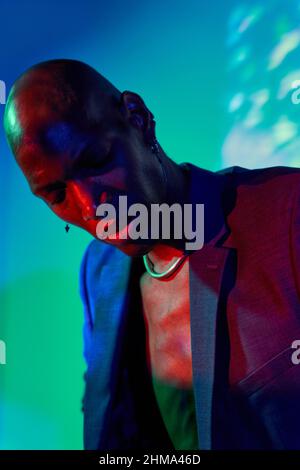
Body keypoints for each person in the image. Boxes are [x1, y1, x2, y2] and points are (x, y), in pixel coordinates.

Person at [4, 59, 300, 450]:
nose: (91, 206)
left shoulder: (288, 212)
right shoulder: (99, 272)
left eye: (95, 161)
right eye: (57, 195)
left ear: (138, 118)